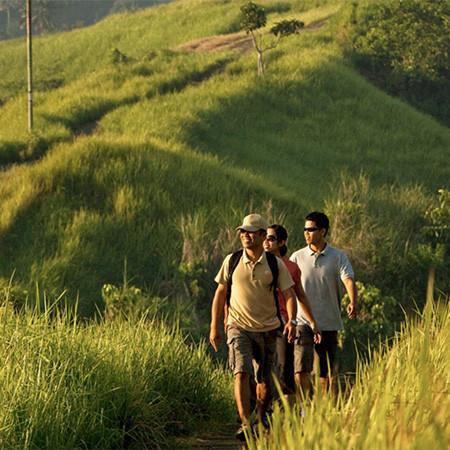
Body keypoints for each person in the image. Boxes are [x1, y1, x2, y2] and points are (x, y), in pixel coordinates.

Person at [209, 213, 297, 440]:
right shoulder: (232, 260)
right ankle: (246, 423)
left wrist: (291, 321)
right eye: (242, 232)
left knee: (264, 381)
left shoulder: (275, 264)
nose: (245, 236)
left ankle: (259, 416)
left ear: (260, 235)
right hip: (238, 326)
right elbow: (220, 293)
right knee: (241, 372)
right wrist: (215, 327)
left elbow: (289, 294)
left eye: (250, 232)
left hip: (268, 328)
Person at [290, 211, 358, 396]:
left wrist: (353, 300)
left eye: (311, 230)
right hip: (302, 321)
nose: (306, 233)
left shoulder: (338, 256)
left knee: (326, 372)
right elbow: (287, 288)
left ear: (323, 231)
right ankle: (304, 407)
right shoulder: (296, 257)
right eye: (305, 229)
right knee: (300, 368)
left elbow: (348, 279)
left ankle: (323, 409)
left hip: (328, 321)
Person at [263, 224, 321, 397]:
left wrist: (312, 322)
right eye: (264, 237)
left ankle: (288, 413)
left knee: (284, 369)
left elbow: (300, 296)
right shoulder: (257, 265)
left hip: (283, 324)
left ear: (281, 242)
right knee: (261, 371)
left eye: (271, 238)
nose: (266, 242)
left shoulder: (291, 268)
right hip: (259, 322)